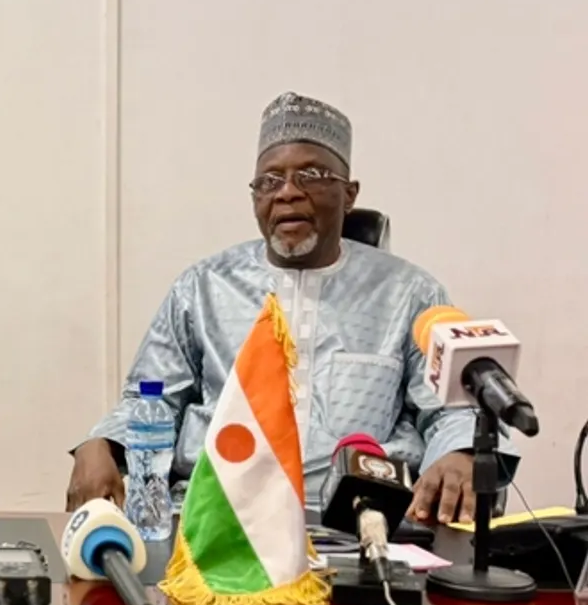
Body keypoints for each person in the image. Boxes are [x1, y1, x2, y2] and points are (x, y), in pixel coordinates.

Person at [68, 91, 513, 524]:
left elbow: (454, 410)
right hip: (218, 518)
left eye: (311, 175)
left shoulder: (409, 293)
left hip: (359, 520)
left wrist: (460, 452)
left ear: (350, 194)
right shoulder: (202, 287)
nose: (287, 193)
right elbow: (152, 398)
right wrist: (102, 442)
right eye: (269, 181)